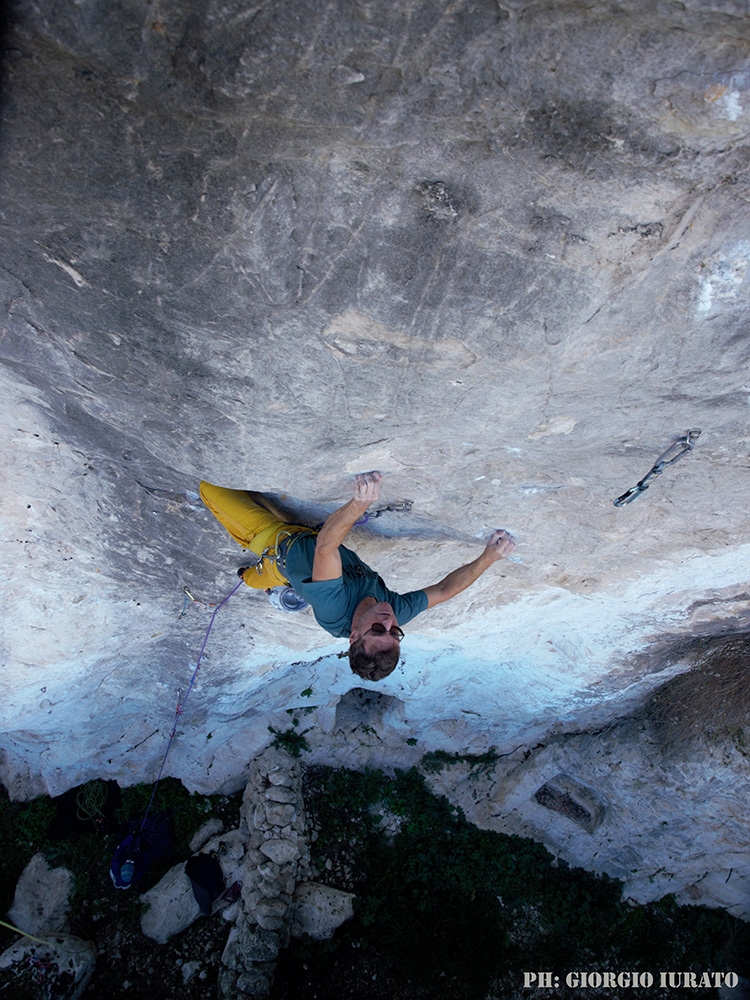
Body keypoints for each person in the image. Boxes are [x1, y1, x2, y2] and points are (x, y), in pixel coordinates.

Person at [199, 473, 516, 681]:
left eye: (379, 629)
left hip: (277, 542)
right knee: (280, 578)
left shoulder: (334, 609)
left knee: (209, 490)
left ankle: (259, 581)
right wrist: (488, 558)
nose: (390, 621)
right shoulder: (393, 612)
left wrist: (359, 504)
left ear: (353, 636)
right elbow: (446, 590)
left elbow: (326, 547)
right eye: (395, 633)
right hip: (304, 558)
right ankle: (283, 590)